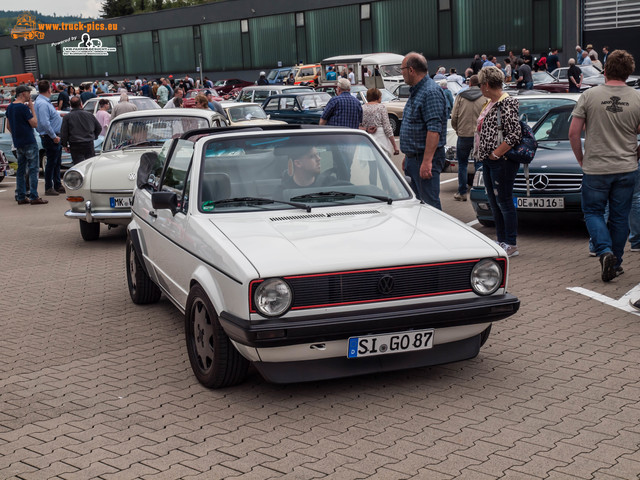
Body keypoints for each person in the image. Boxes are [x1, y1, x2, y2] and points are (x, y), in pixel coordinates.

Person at [568, 49, 640, 282]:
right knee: (620, 218)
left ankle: (604, 251)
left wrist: (581, 158)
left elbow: (573, 133)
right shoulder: (637, 98)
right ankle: (615, 262)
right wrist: (637, 154)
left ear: (605, 69)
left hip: (596, 168)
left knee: (593, 212)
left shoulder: (589, 96)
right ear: (629, 73)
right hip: (626, 167)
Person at [475, 66, 522, 257]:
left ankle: (510, 243)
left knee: (503, 201)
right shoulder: (489, 103)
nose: (480, 88)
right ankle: (502, 240)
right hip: (488, 160)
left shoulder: (506, 103)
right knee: (494, 202)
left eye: (480, 84)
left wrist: (496, 153)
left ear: (486, 85)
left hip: (500, 161)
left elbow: (515, 134)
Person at [399, 52, 448, 210]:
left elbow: (434, 130)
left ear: (411, 70)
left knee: (429, 207)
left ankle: (437, 234)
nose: (402, 73)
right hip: (415, 158)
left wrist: (427, 161)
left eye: (402, 69)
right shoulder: (417, 91)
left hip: (424, 160)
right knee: (417, 206)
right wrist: (409, 156)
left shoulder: (430, 92)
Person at [6, 85, 47, 205]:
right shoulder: (23, 108)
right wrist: (32, 109)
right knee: (33, 169)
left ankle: (21, 196)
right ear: (23, 93)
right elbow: (34, 123)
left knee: (21, 169)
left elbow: (9, 126)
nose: (30, 95)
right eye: (28, 93)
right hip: (29, 141)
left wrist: (17, 134)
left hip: (18, 142)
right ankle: (34, 196)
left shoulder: (10, 107)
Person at [450, 75, 486, 202]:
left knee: (462, 164)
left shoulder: (461, 96)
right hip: (479, 135)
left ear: (469, 83)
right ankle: (480, 190)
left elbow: (454, 116)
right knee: (479, 164)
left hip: (463, 134)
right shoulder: (484, 96)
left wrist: (458, 129)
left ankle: (462, 192)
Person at [34, 80, 64, 196]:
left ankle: (57, 184)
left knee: (56, 162)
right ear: (49, 90)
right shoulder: (42, 103)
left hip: (53, 135)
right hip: (50, 136)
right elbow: (45, 122)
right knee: (51, 162)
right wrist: (53, 136)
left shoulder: (44, 102)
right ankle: (49, 187)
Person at [60, 96, 102, 165]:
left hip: (75, 144)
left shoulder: (67, 117)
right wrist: (94, 136)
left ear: (71, 105)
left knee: (78, 164)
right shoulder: (89, 115)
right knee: (90, 164)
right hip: (88, 143)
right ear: (81, 104)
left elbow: (64, 132)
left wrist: (64, 144)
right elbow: (99, 128)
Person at [360, 87, 399, 158]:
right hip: (381, 138)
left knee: (371, 164)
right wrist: (395, 146)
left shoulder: (362, 108)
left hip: (367, 138)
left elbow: (359, 125)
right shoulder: (381, 107)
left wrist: (366, 129)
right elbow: (387, 127)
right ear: (378, 97)